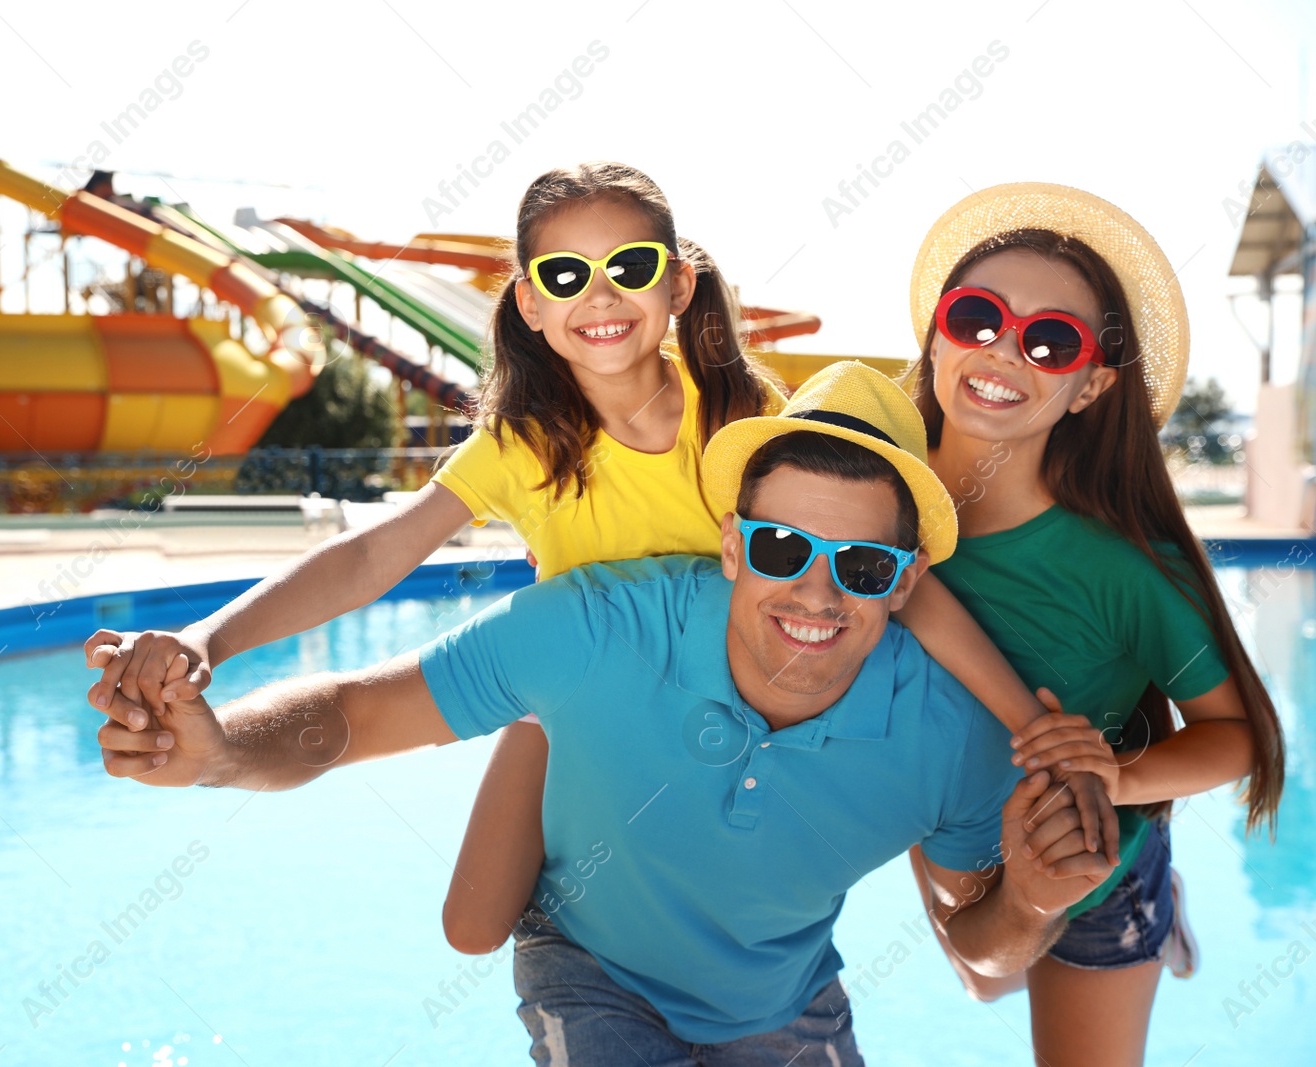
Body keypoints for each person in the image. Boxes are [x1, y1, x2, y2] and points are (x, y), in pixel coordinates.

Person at [83, 162, 1110, 957]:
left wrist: (1028, 724)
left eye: (630, 267)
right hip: (582, 694)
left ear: (677, 285)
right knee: (472, 927)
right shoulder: (525, 444)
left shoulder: (747, 422)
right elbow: (372, 557)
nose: (600, 294)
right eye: (565, 275)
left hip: (733, 691)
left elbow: (888, 578)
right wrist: (209, 636)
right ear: (530, 302)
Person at [90, 362, 1113, 1065]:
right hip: (591, 963)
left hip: (785, 998)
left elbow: (983, 960)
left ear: (904, 582)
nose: (813, 593)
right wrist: (219, 753)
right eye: (778, 549)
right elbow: (356, 712)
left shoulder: (953, 734)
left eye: (858, 564)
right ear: (729, 542)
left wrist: (1028, 901)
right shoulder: (601, 625)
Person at [900, 183, 1286, 1066]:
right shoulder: (866, 498)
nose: (1004, 350)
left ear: (1090, 385)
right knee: (984, 976)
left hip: (1100, 865)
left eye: (1050, 341)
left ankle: (1161, 900)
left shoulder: (1123, 568)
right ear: (936, 335)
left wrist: (1114, 775)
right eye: (976, 315)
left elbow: (1240, 738)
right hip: (949, 822)